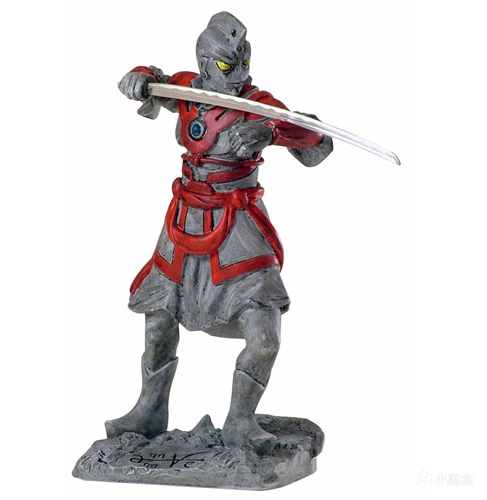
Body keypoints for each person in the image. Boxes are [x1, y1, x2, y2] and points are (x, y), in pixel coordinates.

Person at [105, 11, 333, 448]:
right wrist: (139, 78)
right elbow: (154, 80)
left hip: (238, 224)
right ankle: (150, 409)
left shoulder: (259, 104)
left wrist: (270, 130)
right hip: (184, 220)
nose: (239, 74)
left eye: (244, 62)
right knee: (158, 318)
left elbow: (316, 142)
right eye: (228, 65)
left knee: (264, 336)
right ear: (206, 62)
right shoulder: (189, 89)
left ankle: (241, 421)